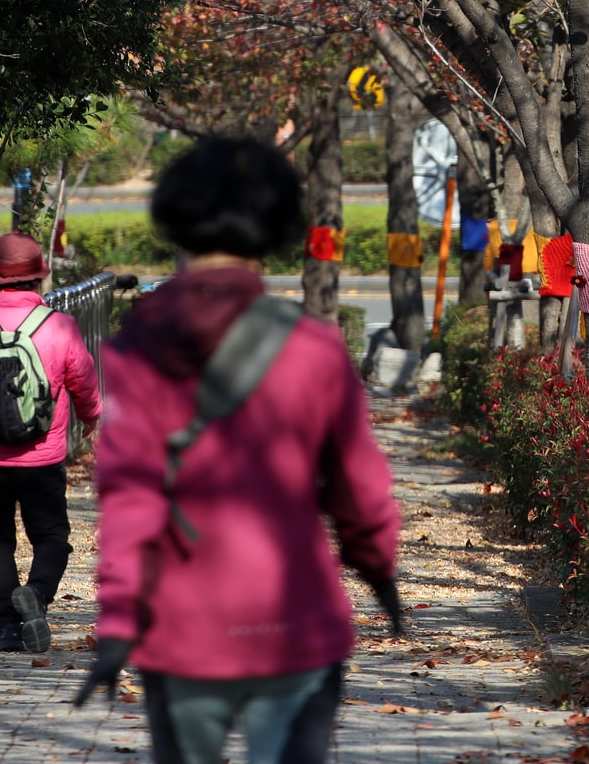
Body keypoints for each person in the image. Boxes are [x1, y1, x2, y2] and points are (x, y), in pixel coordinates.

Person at [73, 137, 403, 764]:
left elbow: (131, 500)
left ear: (177, 218)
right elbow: (358, 488)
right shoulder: (312, 348)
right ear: (275, 225)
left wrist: (119, 622)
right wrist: (379, 570)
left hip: (181, 629)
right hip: (296, 621)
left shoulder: (136, 350)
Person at [0, 232, 103, 653]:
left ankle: (9, 629)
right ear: (38, 280)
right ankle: (38, 595)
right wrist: (93, 421)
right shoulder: (59, 326)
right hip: (42, 457)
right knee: (51, 537)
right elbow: (83, 382)